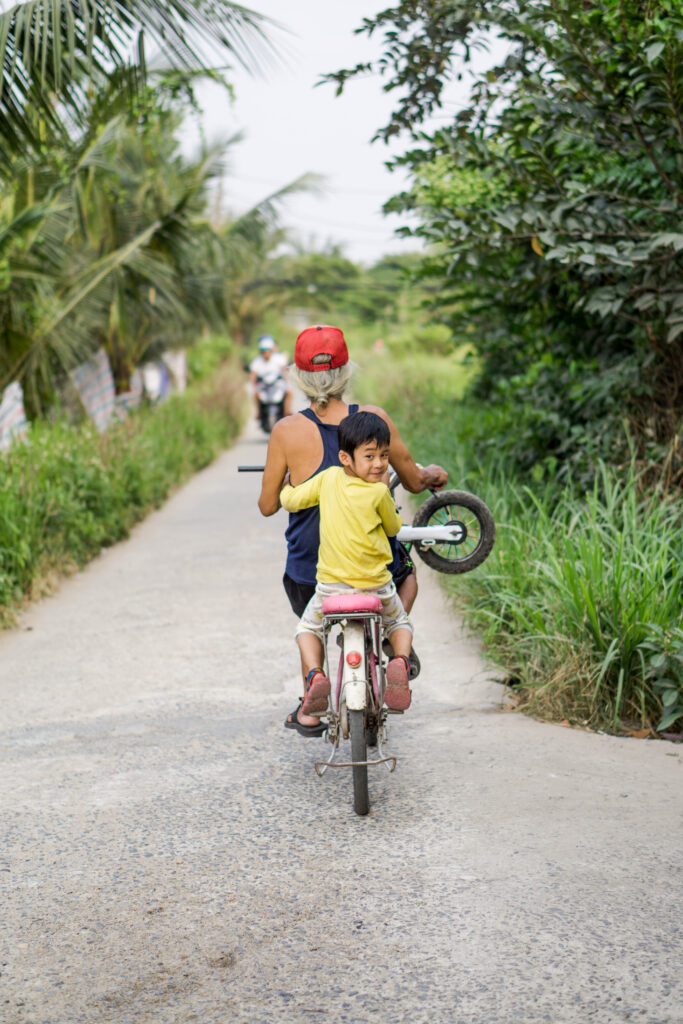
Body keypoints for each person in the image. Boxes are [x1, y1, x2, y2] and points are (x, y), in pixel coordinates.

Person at [257, 324, 448, 736]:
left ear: (299, 377)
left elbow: (269, 505)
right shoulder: (373, 420)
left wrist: (290, 479)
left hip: (311, 574)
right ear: (346, 372)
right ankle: (391, 647)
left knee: (309, 626)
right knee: (407, 577)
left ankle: (312, 685)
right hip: (375, 575)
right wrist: (430, 474)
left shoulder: (286, 431)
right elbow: (414, 480)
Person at [280, 411, 414, 731]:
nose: (379, 464)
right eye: (370, 456)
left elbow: (293, 501)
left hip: (331, 589)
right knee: (401, 623)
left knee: (307, 631)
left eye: (384, 456)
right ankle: (400, 662)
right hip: (376, 588)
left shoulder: (327, 479)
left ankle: (315, 676)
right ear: (346, 457)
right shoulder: (380, 493)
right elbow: (393, 527)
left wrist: (286, 488)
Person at [249, 334, 292, 418]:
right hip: (263, 386)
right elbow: (253, 375)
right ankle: (258, 412)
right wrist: (253, 384)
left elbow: (284, 370)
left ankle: (287, 411)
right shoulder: (257, 361)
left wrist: (287, 380)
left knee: (290, 391)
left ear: (271, 350)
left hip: (277, 384)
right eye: (263, 351)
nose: (265, 353)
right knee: (255, 394)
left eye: (267, 350)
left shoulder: (279, 358)